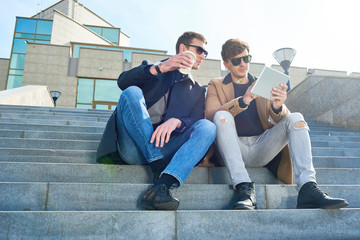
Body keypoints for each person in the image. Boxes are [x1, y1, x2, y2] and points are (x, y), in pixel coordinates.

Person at [205, 39, 348, 210]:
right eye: (236, 61)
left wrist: (278, 106)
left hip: (262, 147)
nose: (243, 64)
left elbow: (286, 122)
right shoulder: (216, 84)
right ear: (227, 64)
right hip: (232, 147)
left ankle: (308, 187)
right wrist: (244, 100)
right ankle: (244, 188)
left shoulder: (262, 82)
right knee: (222, 115)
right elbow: (210, 114)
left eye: (246, 59)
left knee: (296, 118)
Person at [97, 31, 216, 210]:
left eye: (205, 53)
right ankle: (157, 165)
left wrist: (178, 122)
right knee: (131, 92)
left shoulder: (198, 90)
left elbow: (196, 119)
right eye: (199, 50)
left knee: (208, 126)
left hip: (166, 148)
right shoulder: (152, 69)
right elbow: (123, 82)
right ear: (183, 48)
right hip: (134, 147)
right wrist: (159, 68)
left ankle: (163, 185)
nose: (202, 56)